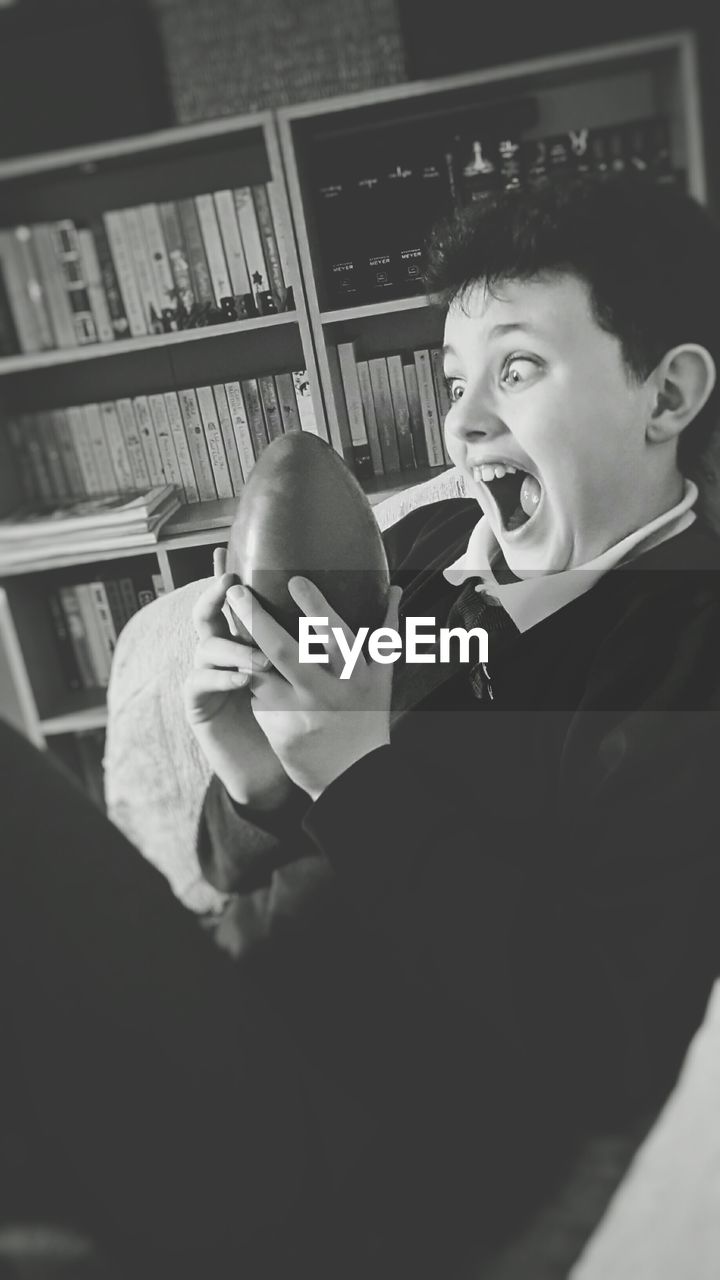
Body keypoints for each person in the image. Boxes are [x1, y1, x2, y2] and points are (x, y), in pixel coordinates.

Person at [2, 175, 720, 1278]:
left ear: (666, 395)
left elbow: (607, 1036)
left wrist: (356, 773)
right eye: (454, 379)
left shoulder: (679, 657)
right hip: (237, 1010)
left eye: (517, 368)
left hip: (368, 1150)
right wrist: (255, 778)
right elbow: (241, 863)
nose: (463, 420)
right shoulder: (427, 547)